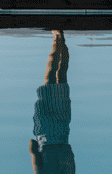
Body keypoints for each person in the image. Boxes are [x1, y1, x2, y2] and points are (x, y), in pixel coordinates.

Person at [29, 30, 75, 174]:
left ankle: (61, 39)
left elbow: (70, 153)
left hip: (61, 131)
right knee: (49, 77)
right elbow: (33, 149)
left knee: (62, 75)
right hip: (46, 131)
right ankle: (57, 38)